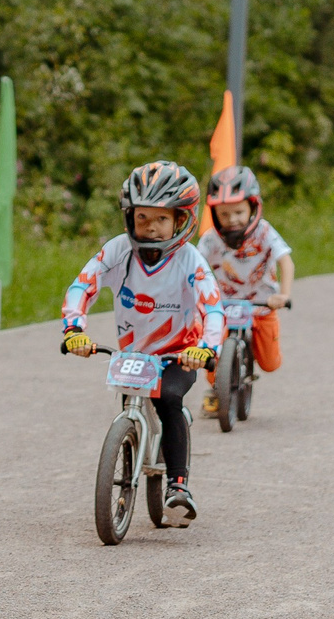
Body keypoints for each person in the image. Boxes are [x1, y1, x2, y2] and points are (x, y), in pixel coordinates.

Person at [60, 161, 225, 525]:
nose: (150, 226)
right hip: (134, 356)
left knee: (169, 400)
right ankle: (131, 448)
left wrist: (208, 349)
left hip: (181, 354)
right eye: (142, 217)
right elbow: (81, 286)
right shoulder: (118, 251)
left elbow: (213, 308)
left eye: (161, 218)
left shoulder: (189, 260)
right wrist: (74, 331)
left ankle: (178, 486)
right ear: (129, 217)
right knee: (130, 401)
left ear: (181, 220)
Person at [197, 164, 292, 417]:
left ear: (252, 207)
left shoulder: (264, 232)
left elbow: (286, 261)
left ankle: (244, 370)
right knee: (211, 354)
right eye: (224, 214)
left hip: (262, 304)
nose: (232, 219)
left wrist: (282, 294)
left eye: (238, 211)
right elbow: (193, 266)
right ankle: (219, 389)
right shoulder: (210, 238)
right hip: (224, 305)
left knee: (271, 364)